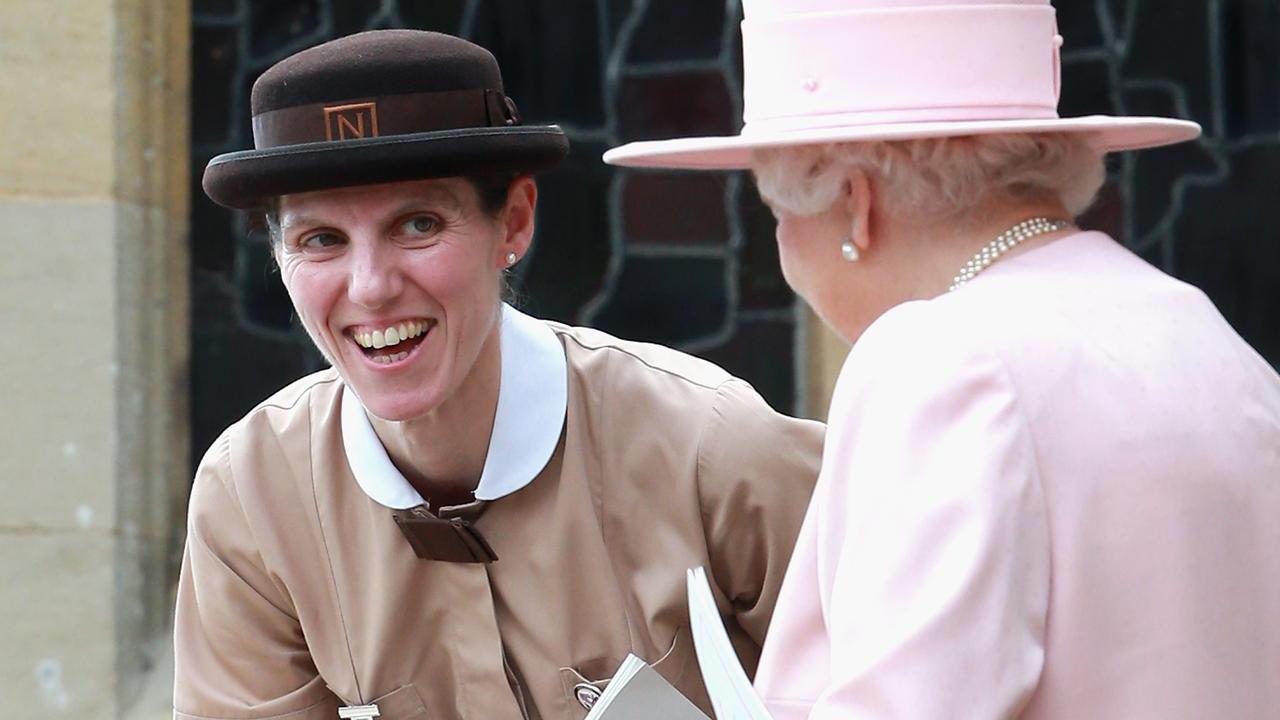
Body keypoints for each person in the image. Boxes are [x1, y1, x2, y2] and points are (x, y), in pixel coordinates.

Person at [605, 0, 1280, 717]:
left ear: (855, 204)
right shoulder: (1200, 331)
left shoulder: (940, 361)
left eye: (778, 211)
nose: (782, 252)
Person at [178, 29, 823, 720]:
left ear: (513, 223)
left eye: (417, 224)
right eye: (321, 240)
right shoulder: (249, 499)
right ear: (279, 260)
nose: (370, 287)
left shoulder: (716, 448)